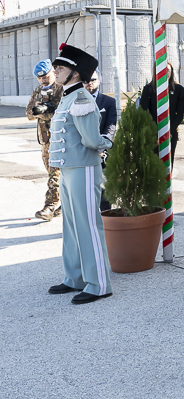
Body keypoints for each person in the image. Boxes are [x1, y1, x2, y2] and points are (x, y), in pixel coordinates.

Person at [46, 44, 114, 305]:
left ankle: (99, 284)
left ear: (75, 73)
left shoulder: (82, 99)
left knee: (88, 226)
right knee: (71, 226)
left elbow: (92, 140)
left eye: (60, 68)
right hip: (69, 169)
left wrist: (106, 145)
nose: (56, 71)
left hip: (84, 169)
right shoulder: (68, 97)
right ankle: (74, 277)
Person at [26, 59, 64, 221]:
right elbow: (28, 113)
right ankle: (66, 202)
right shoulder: (37, 91)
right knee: (52, 172)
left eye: (46, 76)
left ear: (52, 73)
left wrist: (47, 111)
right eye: (40, 78)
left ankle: (49, 206)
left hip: (61, 138)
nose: (43, 80)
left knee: (54, 174)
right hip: (45, 140)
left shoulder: (61, 89)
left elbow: (63, 112)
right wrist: (38, 110)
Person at [140, 61, 184, 164]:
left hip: (171, 133)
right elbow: (144, 113)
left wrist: (168, 132)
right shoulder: (148, 90)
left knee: (167, 165)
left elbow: (179, 114)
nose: (166, 73)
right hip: (152, 134)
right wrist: (156, 133)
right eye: (162, 70)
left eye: (168, 70)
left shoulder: (178, 90)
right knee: (153, 165)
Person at [82, 70, 117, 211]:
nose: (89, 83)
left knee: (104, 189)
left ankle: (105, 218)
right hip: (83, 152)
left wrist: (101, 147)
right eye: (85, 81)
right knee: (85, 190)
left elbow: (111, 126)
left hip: (102, 153)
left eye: (92, 79)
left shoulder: (109, 102)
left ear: (99, 81)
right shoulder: (77, 102)